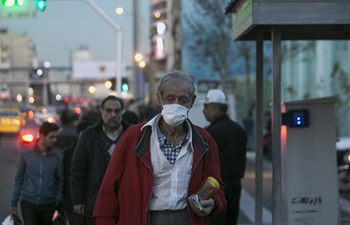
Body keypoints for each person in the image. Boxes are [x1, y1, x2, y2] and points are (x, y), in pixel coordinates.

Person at [93, 71, 227, 225]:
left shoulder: (204, 140)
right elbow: (109, 189)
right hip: (144, 219)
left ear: (192, 101)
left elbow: (218, 187)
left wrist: (214, 203)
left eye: (183, 99)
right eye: (170, 99)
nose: (176, 104)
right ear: (159, 98)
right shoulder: (134, 137)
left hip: (188, 219)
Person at [70, 95, 130, 225]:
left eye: (117, 111)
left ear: (122, 112)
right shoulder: (89, 136)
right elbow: (78, 169)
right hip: (96, 202)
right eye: (109, 110)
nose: (113, 115)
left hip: (125, 203)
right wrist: (78, 200)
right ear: (102, 112)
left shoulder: (132, 135)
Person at [201, 89, 247, 225]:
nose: (203, 111)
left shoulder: (211, 133)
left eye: (206, 107)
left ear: (216, 109)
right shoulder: (239, 130)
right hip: (235, 185)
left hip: (214, 187)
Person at [10, 122, 63, 225]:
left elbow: (60, 179)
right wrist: (13, 201)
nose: (54, 140)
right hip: (28, 202)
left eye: (56, 137)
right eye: (51, 137)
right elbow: (19, 177)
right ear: (42, 136)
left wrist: (57, 200)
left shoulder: (57, 155)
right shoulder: (25, 152)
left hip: (48, 203)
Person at [62, 120, 93, 225]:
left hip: (92, 201)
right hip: (72, 202)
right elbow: (64, 178)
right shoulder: (67, 153)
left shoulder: (97, 153)